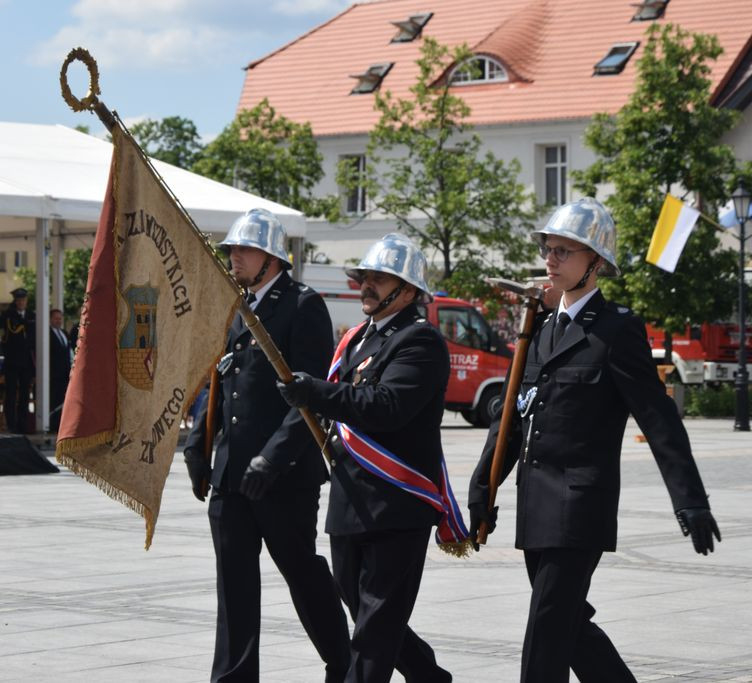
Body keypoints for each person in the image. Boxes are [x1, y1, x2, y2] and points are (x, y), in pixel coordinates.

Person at [467, 197, 721, 683]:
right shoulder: (538, 331)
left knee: (545, 632)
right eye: (549, 249)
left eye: (565, 251)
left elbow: (659, 419)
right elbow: (513, 424)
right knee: (569, 629)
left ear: (596, 263)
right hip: (535, 508)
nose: (551, 260)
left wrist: (691, 501)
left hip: (580, 507)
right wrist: (484, 491)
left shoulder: (616, 330)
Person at [277, 233, 462, 683]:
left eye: (380, 279)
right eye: (365, 277)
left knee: (373, 632)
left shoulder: (420, 342)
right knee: (365, 609)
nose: (367, 285)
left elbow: (386, 406)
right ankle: (428, 676)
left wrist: (316, 392)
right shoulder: (358, 341)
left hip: (396, 504)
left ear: (409, 290)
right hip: (350, 500)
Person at [183, 208, 351, 682]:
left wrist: (271, 458)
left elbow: (309, 396)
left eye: (244, 249)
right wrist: (199, 445)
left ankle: (343, 661)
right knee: (233, 589)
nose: (233, 256)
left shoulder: (302, 305)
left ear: (272, 257)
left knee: (302, 573)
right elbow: (219, 381)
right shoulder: (235, 306)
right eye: (232, 249)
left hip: (284, 477)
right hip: (232, 474)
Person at [0, 287, 35, 433]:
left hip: (26, 362)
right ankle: (11, 424)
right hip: (12, 361)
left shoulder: (31, 315)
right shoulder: (9, 315)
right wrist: (8, 312)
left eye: (23, 300)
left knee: (25, 394)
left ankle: (23, 424)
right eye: (18, 300)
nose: (21, 303)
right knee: (11, 394)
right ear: (15, 301)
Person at [48, 308, 72, 431]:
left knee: (64, 400)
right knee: (54, 400)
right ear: (50, 319)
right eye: (56, 318)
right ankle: (52, 425)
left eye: (60, 318)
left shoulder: (63, 333)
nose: (58, 321)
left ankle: (61, 425)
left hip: (65, 373)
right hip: (53, 374)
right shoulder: (47, 334)